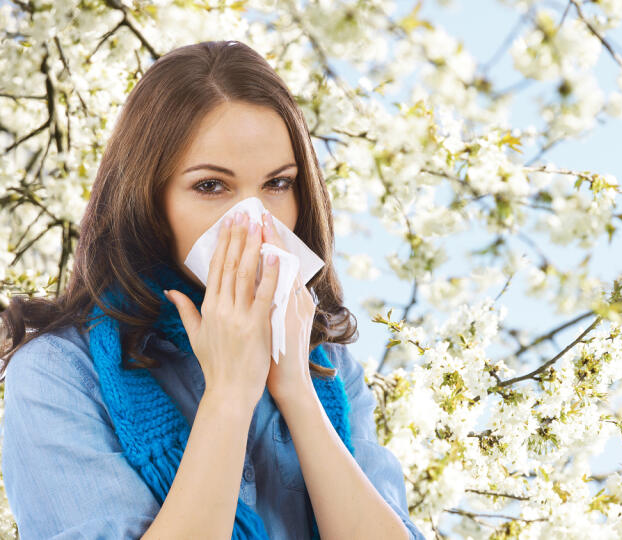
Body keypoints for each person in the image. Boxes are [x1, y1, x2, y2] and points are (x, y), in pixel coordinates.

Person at [0, 40, 425, 540]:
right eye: (211, 186)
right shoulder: (61, 372)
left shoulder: (327, 364)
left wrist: (295, 391)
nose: (254, 219)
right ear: (148, 201)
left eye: (278, 184)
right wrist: (229, 392)